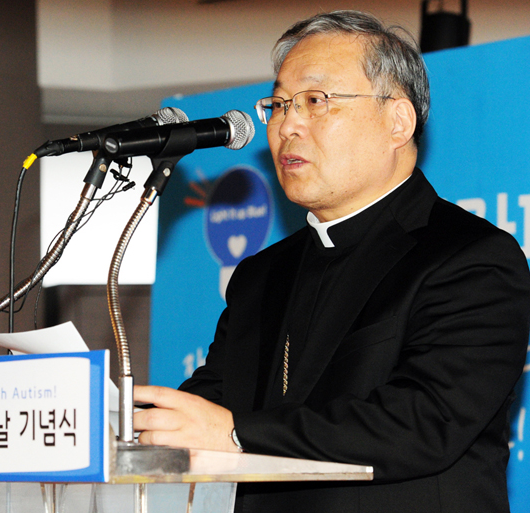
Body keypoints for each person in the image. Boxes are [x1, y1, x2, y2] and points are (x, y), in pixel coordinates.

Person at [134, 10, 530, 513]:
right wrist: (125, 422)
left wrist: (234, 433)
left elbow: (424, 421)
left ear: (398, 121)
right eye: (277, 104)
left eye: (316, 101)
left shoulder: (470, 258)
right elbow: (212, 400)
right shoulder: (262, 273)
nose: (287, 124)